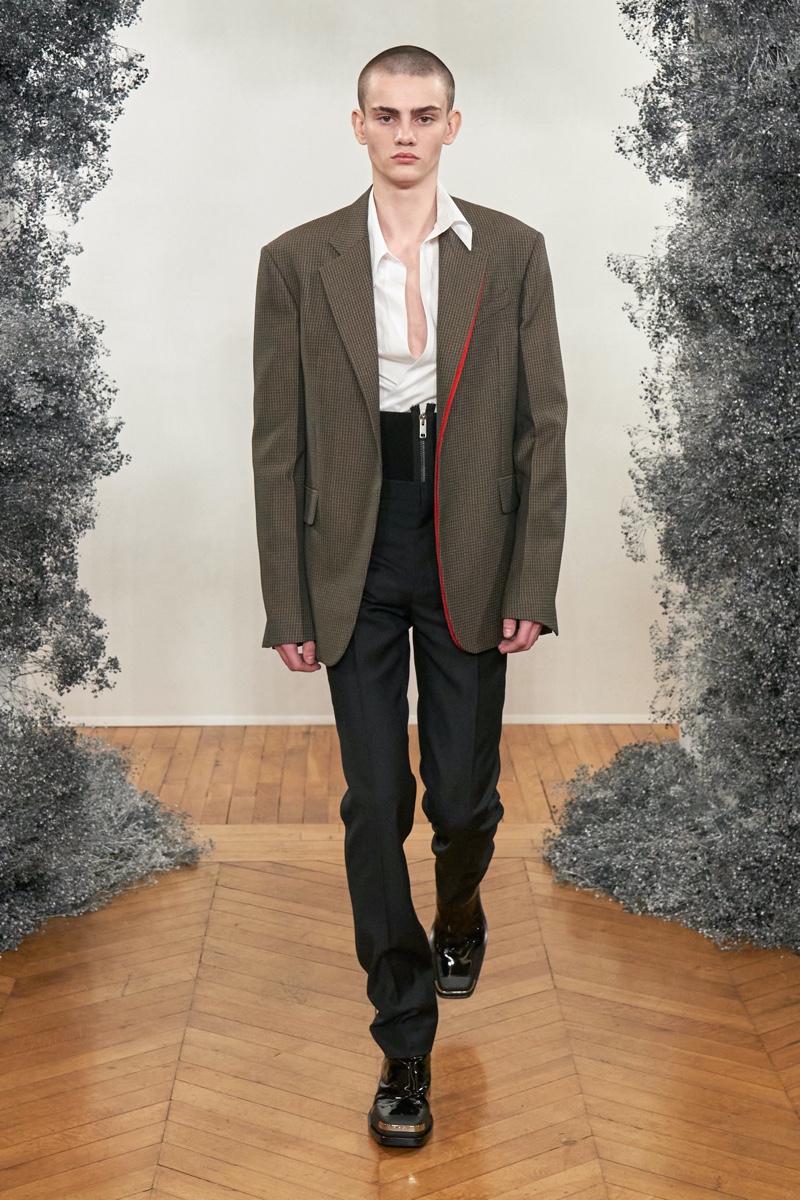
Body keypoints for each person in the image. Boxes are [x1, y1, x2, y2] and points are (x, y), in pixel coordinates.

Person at [251, 44, 567, 1148]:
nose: (403, 132)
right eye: (384, 115)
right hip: (353, 551)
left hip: (468, 543)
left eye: (422, 115)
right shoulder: (297, 260)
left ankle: (462, 903)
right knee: (374, 802)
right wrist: (288, 601)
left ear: (451, 127)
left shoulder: (512, 252)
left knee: (461, 803)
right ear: (357, 126)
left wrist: (532, 577)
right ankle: (403, 1041)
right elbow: (277, 444)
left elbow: (541, 427)